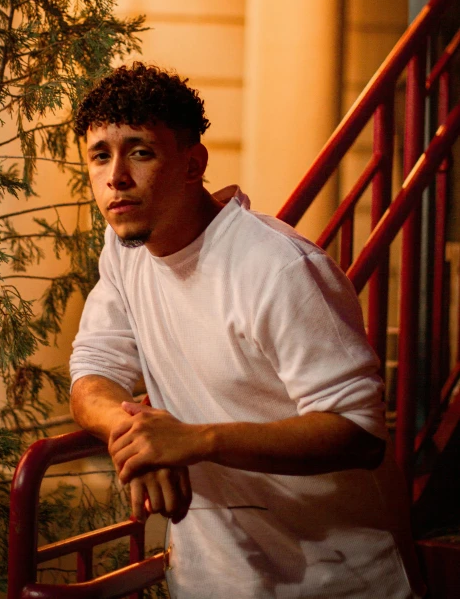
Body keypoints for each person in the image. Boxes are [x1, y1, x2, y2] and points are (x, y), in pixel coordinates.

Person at [69, 62, 424, 599]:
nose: (116, 176)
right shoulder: (124, 249)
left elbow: (359, 432)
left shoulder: (278, 268)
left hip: (341, 579)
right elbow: (92, 372)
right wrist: (134, 436)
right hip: (216, 577)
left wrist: (196, 441)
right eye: (100, 155)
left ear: (193, 165)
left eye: (140, 151)